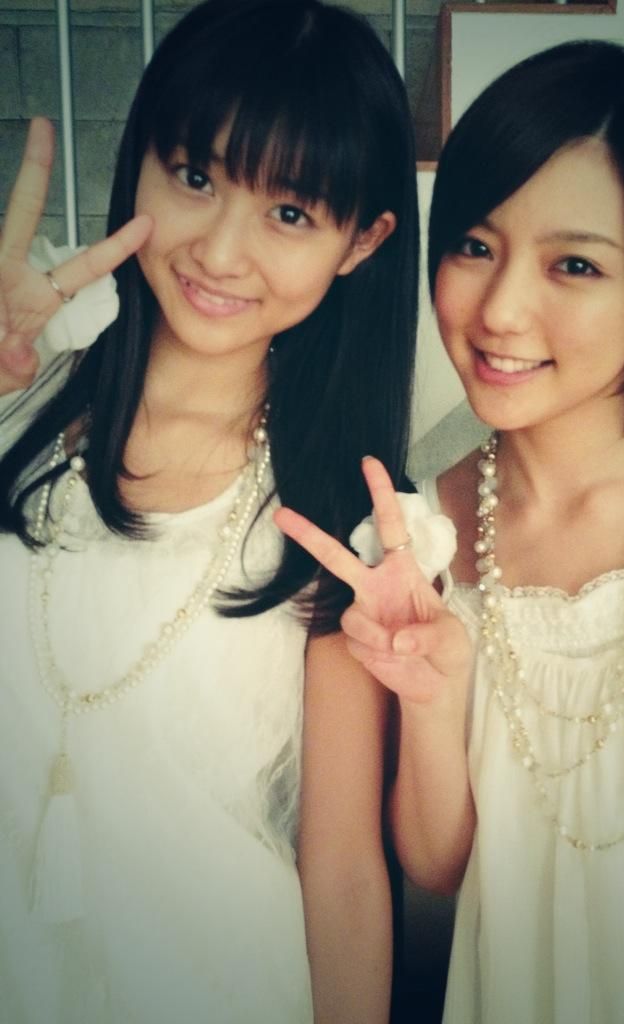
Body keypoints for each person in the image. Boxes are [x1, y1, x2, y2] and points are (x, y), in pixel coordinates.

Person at [276, 39, 624, 1024]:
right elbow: (439, 866)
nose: (501, 309)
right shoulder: (416, 541)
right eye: (475, 246)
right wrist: (433, 701)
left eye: (574, 264)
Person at [0, 1, 418, 1021]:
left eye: (291, 213)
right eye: (195, 176)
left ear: (361, 242)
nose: (221, 251)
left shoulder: (345, 519)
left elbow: (342, 872)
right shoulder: (18, 399)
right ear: (140, 160)